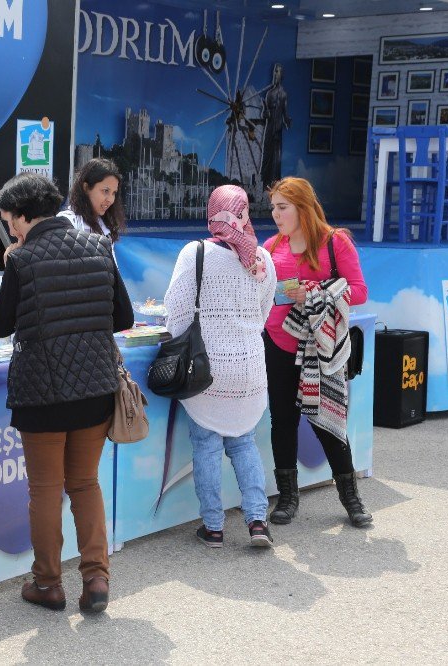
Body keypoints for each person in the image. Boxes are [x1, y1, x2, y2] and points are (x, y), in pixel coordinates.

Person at [0, 172, 134, 614]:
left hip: (41, 394)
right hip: (94, 388)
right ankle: (97, 580)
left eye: (9, 218)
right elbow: (123, 317)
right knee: (86, 483)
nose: (9, 227)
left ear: (24, 216)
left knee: (46, 490)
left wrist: (13, 261)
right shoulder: (99, 247)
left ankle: (48, 583)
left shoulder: (22, 259)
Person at [163, 185, 277, 549]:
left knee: (207, 446)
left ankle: (213, 527)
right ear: (243, 213)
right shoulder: (261, 258)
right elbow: (262, 313)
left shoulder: (194, 252)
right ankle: (258, 521)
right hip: (250, 369)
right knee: (244, 443)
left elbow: (176, 312)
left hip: (207, 370)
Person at [263, 176, 372, 528]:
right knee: (282, 421)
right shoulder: (271, 245)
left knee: (328, 421)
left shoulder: (334, 241)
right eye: (274, 208)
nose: (276, 215)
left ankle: (351, 499)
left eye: (283, 207)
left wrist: (315, 291)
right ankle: (288, 499)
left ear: (303, 207)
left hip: (321, 347)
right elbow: (262, 294)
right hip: (277, 342)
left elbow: (359, 291)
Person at [58, 157, 126, 242]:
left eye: (114, 193)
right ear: (86, 188)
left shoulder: (105, 224)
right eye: (105, 191)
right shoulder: (66, 223)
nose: (110, 199)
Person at [260, 63, 291, 188]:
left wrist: (287, 121)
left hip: (277, 130)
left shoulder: (283, 94)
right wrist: (265, 113)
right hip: (269, 128)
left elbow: (285, 113)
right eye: (274, 71)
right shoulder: (269, 94)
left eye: (277, 72)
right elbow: (264, 113)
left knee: (276, 160)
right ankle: (264, 183)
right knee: (267, 156)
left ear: (281, 75)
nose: (275, 74)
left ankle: (274, 185)